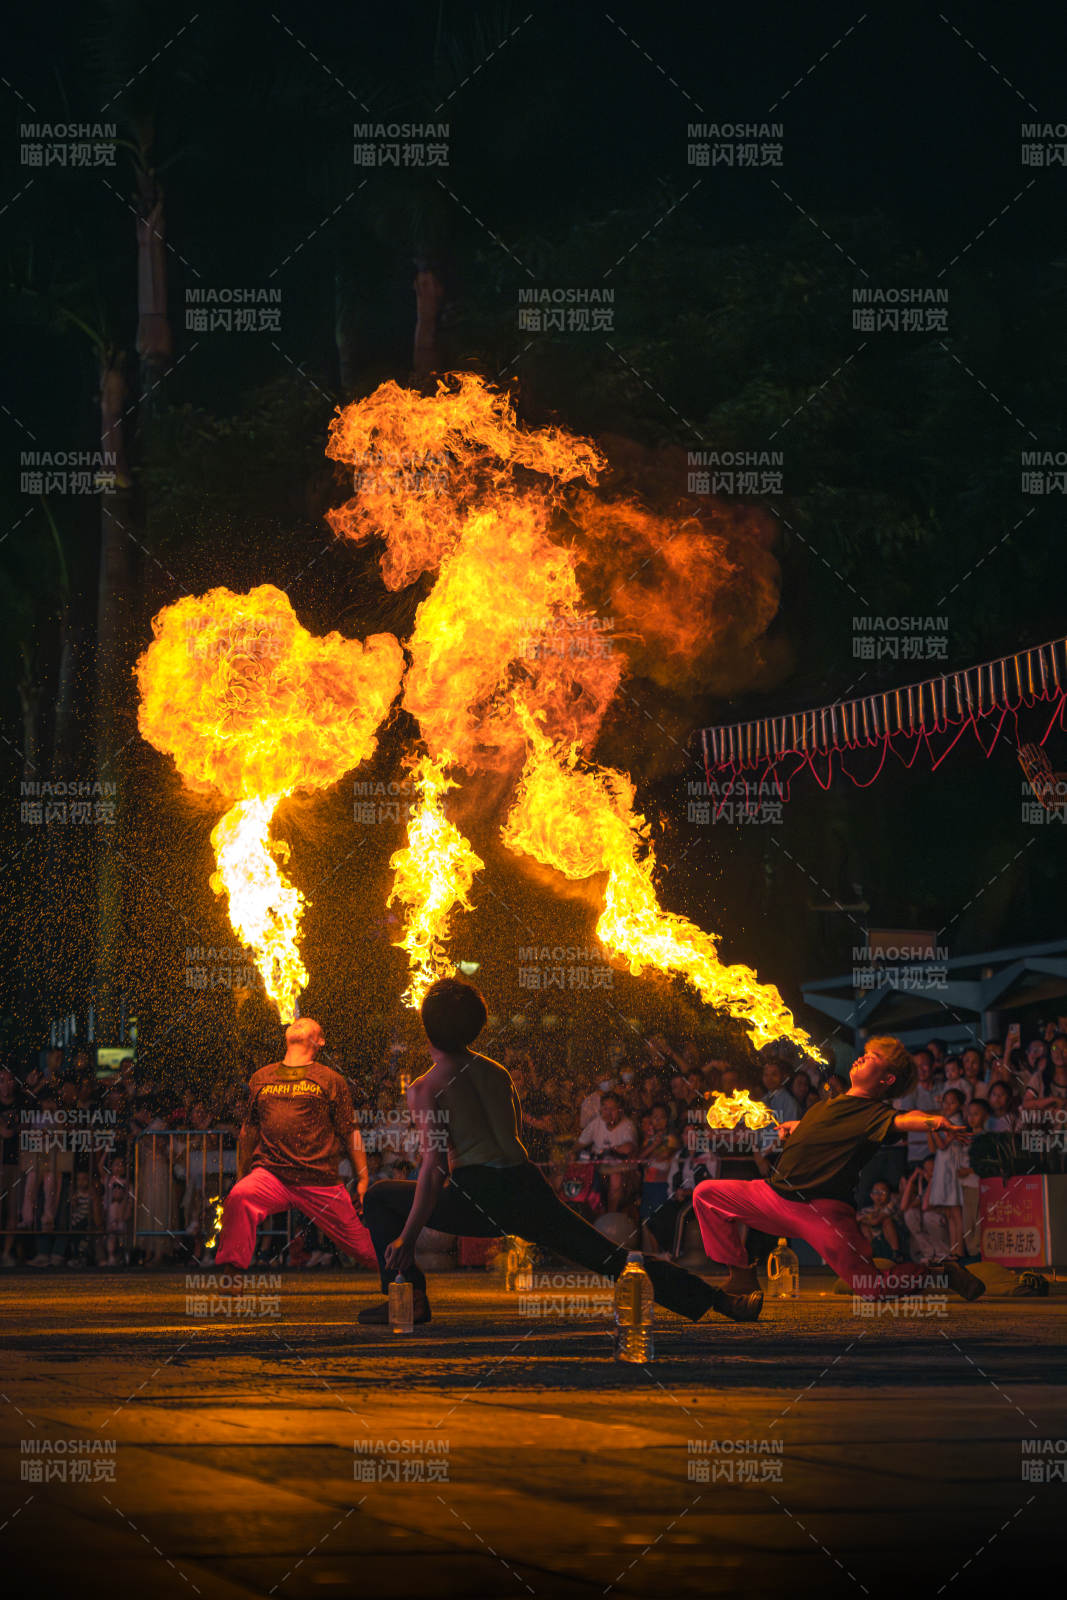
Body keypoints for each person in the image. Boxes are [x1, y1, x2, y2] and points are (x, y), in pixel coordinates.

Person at [358, 979, 725, 1327]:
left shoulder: (426, 1087)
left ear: (427, 1026)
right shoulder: (498, 1072)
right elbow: (511, 1135)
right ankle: (715, 1299)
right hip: (526, 1184)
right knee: (608, 1257)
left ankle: (407, 1296)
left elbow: (435, 1168)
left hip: (478, 1193)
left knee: (378, 1197)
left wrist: (407, 1237)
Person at [693, 1037, 986, 1316]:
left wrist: (935, 1121)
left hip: (822, 1212)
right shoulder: (824, 1106)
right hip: (773, 1195)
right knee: (706, 1194)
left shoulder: (875, 1114)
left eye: (872, 1058)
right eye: (865, 1053)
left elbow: (904, 1120)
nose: (861, 1057)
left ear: (887, 1080)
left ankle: (940, 1272)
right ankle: (742, 1274)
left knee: (874, 1288)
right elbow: (819, 1128)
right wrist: (796, 1126)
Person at [214, 1018, 377, 1271]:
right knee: (240, 1196)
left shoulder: (330, 1079)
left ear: (320, 1040)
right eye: (296, 1022)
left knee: (364, 1249)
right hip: (271, 1174)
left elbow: (350, 1131)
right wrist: (242, 1174)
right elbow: (249, 1130)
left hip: (319, 1179)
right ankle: (232, 1272)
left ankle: (401, 1276)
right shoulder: (261, 1076)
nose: (297, 1023)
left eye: (306, 1023)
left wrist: (363, 1178)